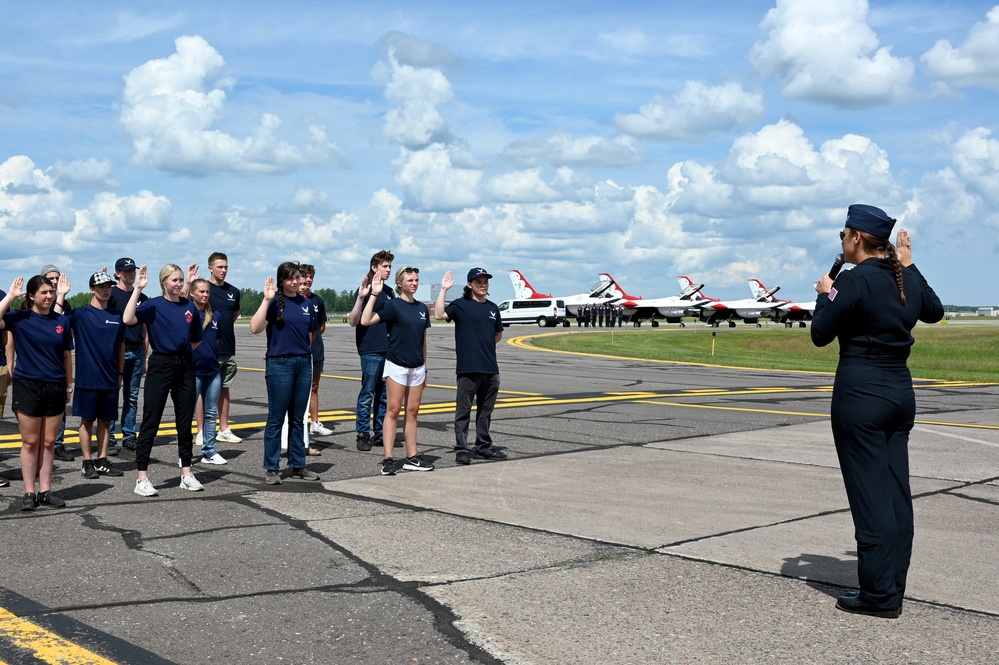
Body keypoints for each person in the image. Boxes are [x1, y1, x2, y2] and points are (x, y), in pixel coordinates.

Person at [811, 204, 943, 619]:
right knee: (895, 495)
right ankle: (892, 585)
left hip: (860, 396)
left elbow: (819, 334)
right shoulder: (900, 276)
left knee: (870, 499)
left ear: (854, 238)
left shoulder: (854, 280)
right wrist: (910, 261)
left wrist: (824, 294)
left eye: (842, 236)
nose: (841, 242)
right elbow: (934, 311)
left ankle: (878, 595)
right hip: (899, 394)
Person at [122, 264, 205, 497]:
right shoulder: (152, 305)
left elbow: (196, 339)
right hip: (160, 364)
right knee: (151, 420)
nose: (178, 284)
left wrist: (181, 353)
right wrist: (138, 288)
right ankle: (142, 477)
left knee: (184, 422)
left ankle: (186, 473)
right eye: (174, 280)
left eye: (181, 280)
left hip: (185, 365)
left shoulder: (190, 306)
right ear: (164, 282)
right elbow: (128, 319)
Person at [1, 275, 74, 510]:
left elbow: (66, 356)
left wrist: (68, 385)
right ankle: (29, 492)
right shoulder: (19, 318)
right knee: (31, 441)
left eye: (51, 292)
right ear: (31, 296)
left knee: (49, 442)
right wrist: (11, 296)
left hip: (54, 385)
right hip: (28, 385)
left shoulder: (61, 321)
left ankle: (45, 490)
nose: (49, 296)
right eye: (43, 292)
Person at [249, 262, 320, 485]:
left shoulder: (306, 303)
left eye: (297, 278)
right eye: (290, 278)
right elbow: (254, 327)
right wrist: (266, 299)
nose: (295, 282)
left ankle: (298, 464)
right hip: (280, 363)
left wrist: (305, 356)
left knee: (298, 418)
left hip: (303, 363)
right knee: (276, 418)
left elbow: (311, 335)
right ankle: (271, 468)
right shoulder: (275, 303)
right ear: (282, 281)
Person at [360, 265, 434, 475]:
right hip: (397, 365)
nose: (414, 283)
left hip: (417, 367)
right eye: (410, 280)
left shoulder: (421, 308)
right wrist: (374, 294)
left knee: (412, 412)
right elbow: (365, 321)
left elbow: (423, 341)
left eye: (416, 280)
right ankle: (388, 458)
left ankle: (412, 457)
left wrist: (425, 368)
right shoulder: (393, 305)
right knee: (392, 411)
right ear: (400, 283)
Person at [433, 268, 508, 466]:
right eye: (478, 282)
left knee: (486, 411)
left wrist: (483, 344)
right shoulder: (461, 305)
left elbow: (498, 334)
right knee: (463, 411)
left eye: (485, 282)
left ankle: (483, 445)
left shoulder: (493, 308)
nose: (483, 285)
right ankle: (462, 448)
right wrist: (443, 290)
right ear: (469, 285)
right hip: (468, 368)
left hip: (490, 368)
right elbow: (439, 314)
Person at [67, 271, 126, 480]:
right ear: (92, 289)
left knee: (106, 421)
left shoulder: (117, 316)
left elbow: (121, 346)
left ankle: (102, 460)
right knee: (87, 421)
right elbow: (56, 319)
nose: (106, 290)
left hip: (110, 378)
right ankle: (87, 461)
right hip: (88, 378)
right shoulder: (80, 314)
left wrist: (120, 372)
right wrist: (61, 295)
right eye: (101, 287)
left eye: (108, 286)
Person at [348, 250, 394, 452]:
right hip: (370, 349)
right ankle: (362, 433)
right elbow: (353, 321)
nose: (389, 270)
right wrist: (361, 298)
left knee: (384, 395)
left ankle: (380, 433)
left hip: (389, 350)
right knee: (367, 393)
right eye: (385, 266)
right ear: (374, 267)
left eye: (390, 266)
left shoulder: (390, 291)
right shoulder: (364, 290)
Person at [107, 257, 148, 453]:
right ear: (118, 274)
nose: (131, 273)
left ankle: (129, 435)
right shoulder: (111, 295)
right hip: (116, 351)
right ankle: (110, 435)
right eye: (126, 271)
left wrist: (145, 355)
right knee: (113, 393)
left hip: (136, 350)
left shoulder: (142, 297)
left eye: (133, 270)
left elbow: (145, 330)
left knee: (131, 397)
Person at [189, 278, 227, 465]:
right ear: (192, 293)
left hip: (212, 371)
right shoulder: (187, 314)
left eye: (207, 292)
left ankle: (209, 451)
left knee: (211, 413)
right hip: (192, 371)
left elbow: (216, 341)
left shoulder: (216, 316)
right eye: (201, 292)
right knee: (186, 414)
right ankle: (185, 454)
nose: (205, 295)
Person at [206, 252, 242, 444]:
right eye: (220, 267)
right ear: (210, 268)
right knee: (205, 390)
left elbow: (233, 315)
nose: (224, 270)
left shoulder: (233, 292)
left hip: (229, 347)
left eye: (226, 267)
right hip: (209, 349)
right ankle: (202, 430)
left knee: (225, 389)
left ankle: (224, 428)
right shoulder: (204, 289)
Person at [42, 265, 74, 462]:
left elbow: (61, 325)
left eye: (57, 278)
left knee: (59, 406)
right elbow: (50, 322)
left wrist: (61, 297)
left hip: (58, 362)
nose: (55, 282)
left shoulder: (65, 304)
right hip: (38, 363)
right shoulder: (32, 303)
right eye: (50, 278)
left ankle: (58, 443)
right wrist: (58, 297)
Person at [300, 264, 333, 445]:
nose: (309, 281)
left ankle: (314, 422)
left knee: (314, 386)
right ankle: (299, 423)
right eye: (305, 278)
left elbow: (321, 327)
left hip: (316, 349)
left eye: (311, 278)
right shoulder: (292, 300)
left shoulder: (317, 301)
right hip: (298, 351)